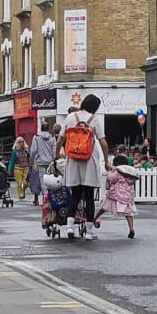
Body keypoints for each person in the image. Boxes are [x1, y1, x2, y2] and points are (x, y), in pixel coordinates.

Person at [60, 93, 108, 241]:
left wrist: (57, 155)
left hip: (73, 159)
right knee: (88, 197)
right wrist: (106, 160)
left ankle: (69, 227)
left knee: (75, 194)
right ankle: (89, 231)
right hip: (89, 160)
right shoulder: (94, 120)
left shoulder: (70, 118)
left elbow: (60, 139)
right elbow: (103, 143)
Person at [102, 154, 139, 239]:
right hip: (127, 195)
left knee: (104, 207)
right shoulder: (129, 172)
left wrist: (109, 171)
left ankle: (94, 218)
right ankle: (131, 229)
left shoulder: (118, 171)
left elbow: (112, 179)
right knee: (128, 213)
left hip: (116, 193)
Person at [28, 121, 57, 205]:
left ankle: (46, 198)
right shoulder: (52, 138)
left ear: (41, 128)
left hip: (40, 162)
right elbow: (54, 151)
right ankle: (51, 197)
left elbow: (33, 151)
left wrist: (31, 161)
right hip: (50, 163)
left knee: (42, 181)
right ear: (48, 128)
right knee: (51, 181)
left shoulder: (36, 138)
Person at [8, 136, 31, 200]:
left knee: (25, 182)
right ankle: (21, 194)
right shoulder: (14, 151)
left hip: (26, 168)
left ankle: (23, 190)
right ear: (17, 143)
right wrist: (9, 170)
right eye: (20, 142)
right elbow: (12, 161)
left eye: (23, 141)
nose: (22, 143)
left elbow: (30, 158)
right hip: (17, 168)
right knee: (19, 182)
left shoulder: (26, 150)